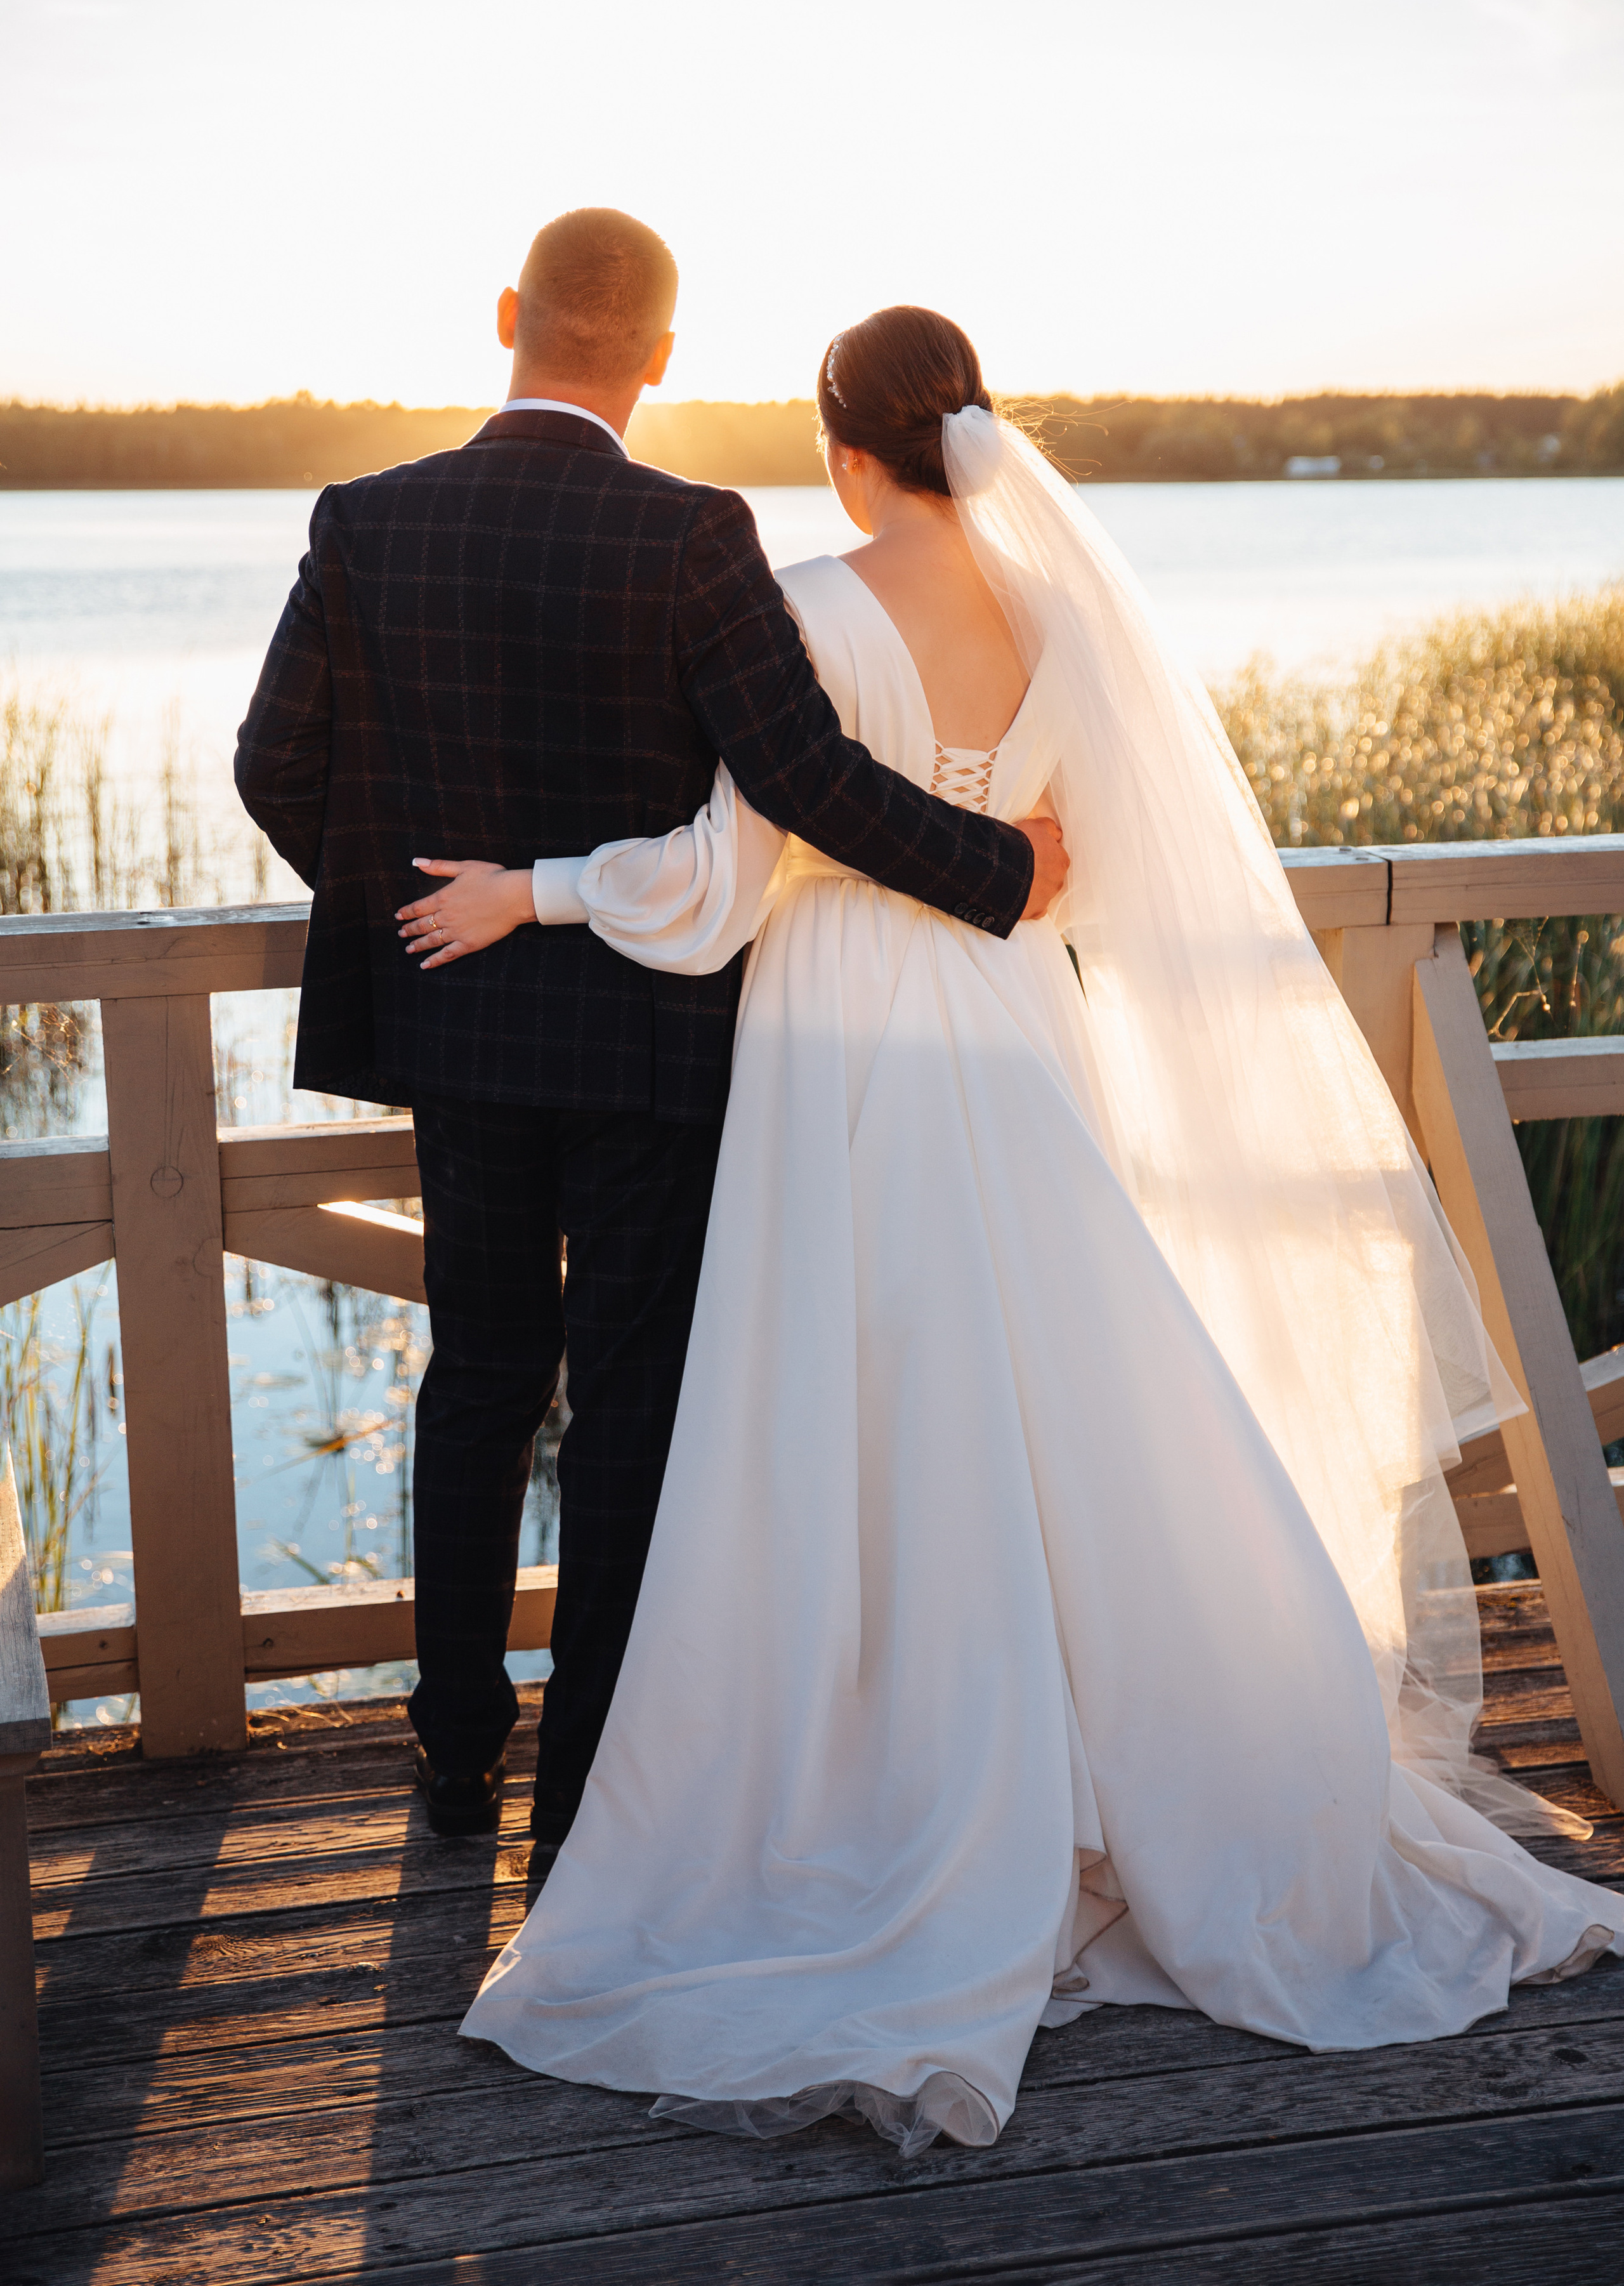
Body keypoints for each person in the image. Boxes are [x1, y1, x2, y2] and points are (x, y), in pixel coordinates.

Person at [402, 306, 1619, 2155]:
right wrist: (1017, 860)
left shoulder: (807, 597)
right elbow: (1102, 861)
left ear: (842, 437)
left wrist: (536, 889)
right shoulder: (1065, 609)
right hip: (1014, 1020)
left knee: (870, 1400)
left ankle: (906, 1776)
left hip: (847, 1038)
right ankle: (1096, 1771)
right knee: (1059, 1400)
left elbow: (728, 882)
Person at [233, 224, 1067, 1861]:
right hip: (657, 1046)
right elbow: (804, 780)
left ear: (505, 322)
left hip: (461, 1036)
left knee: (474, 1381)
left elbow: (278, 764)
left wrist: (410, 917)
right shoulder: (700, 533)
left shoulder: (363, 518)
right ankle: (586, 1800)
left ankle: (456, 1752)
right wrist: (1001, 869)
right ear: (663, 358)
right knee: (627, 1409)